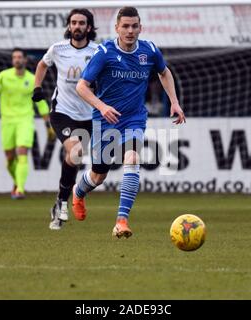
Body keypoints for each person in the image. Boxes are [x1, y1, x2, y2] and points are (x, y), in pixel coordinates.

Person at [73, 6, 186, 238]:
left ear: (140, 28)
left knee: (132, 158)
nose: (130, 30)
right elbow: (81, 86)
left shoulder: (150, 50)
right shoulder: (104, 53)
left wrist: (174, 101)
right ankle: (78, 192)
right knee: (98, 175)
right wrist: (102, 107)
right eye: (125, 26)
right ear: (117, 28)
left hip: (134, 118)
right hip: (105, 120)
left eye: (134, 26)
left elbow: (164, 73)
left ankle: (121, 221)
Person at [32, 8, 98, 230]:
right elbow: (42, 64)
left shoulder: (99, 51)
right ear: (69, 26)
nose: (77, 26)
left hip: (89, 115)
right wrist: (37, 87)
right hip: (63, 112)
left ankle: (63, 198)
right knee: (76, 152)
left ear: (89, 27)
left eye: (81, 23)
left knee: (78, 159)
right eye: (73, 22)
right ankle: (61, 203)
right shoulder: (57, 49)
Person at [0, 48, 54, 199]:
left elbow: (40, 103)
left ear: (25, 60)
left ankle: (20, 189)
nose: (17, 60)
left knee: (22, 153)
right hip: (7, 121)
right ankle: (17, 182)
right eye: (15, 57)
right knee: (9, 160)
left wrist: (48, 124)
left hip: (25, 120)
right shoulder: (3, 77)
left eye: (20, 57)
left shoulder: (33, 79)